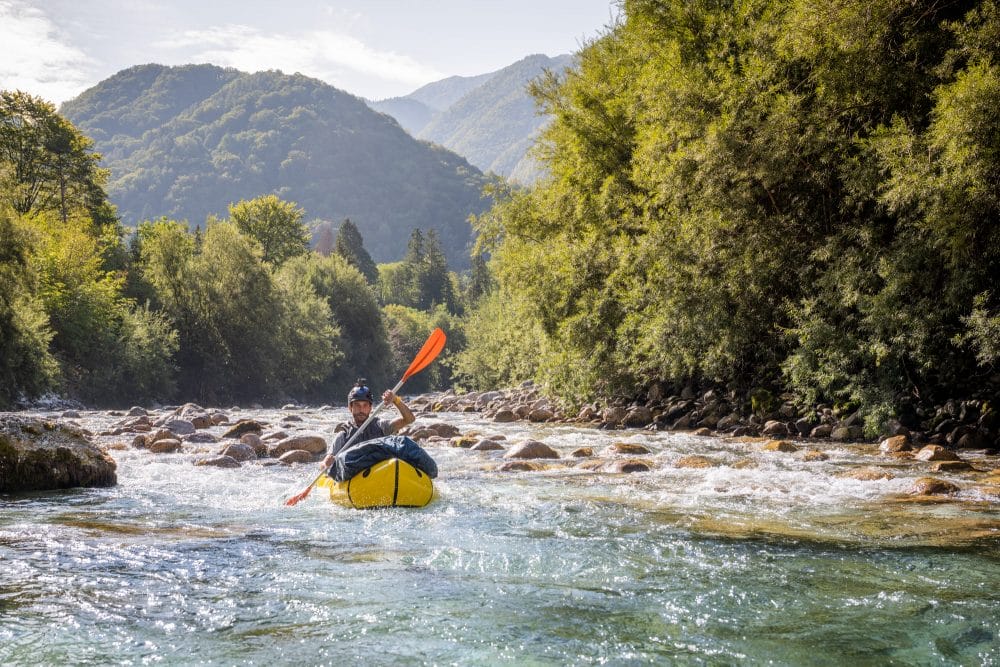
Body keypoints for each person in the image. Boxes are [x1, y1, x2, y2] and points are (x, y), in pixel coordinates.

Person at [321, 380, 415, 469]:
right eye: (357, 405)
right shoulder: (344, 435)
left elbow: (409, 419)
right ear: (350, 407)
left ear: (370, 408)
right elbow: (324, 464)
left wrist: (395, 400)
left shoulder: (381, 426)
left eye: (365, 405)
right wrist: (326, 463)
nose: (361, 410)